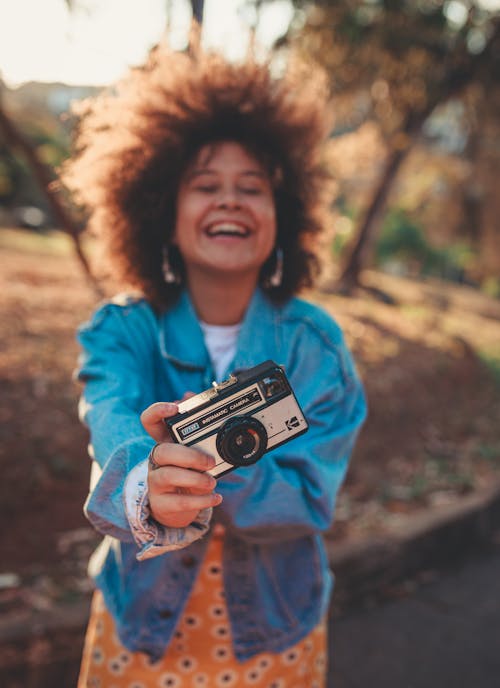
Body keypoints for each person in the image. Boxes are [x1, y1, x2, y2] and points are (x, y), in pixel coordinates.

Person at [63, 41, 367, 688]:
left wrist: (206, 469)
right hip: (139, 623)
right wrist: (148, 487)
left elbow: (312, 499)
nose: (229, 200)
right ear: (161, 217)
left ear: (282, 221)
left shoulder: (317, 346)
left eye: (252, 188)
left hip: (277, 632)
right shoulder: (120, 332)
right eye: (205, 186)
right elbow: (111, 419)